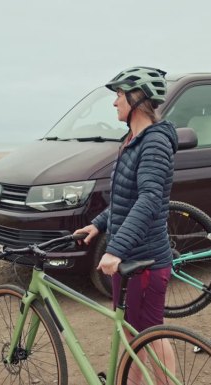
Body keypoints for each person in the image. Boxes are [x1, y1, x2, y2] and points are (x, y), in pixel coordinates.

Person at [74, 66, 178, 381]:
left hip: (144, 260)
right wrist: (99, 224)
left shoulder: (154, 142)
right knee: (133, 333)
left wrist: (115, 249)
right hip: (131, 256)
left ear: (136, 99)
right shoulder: (133, 139)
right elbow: (125, 199)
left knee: (148, 334)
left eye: (119, 95)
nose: (115, 102)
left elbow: (149, 199)